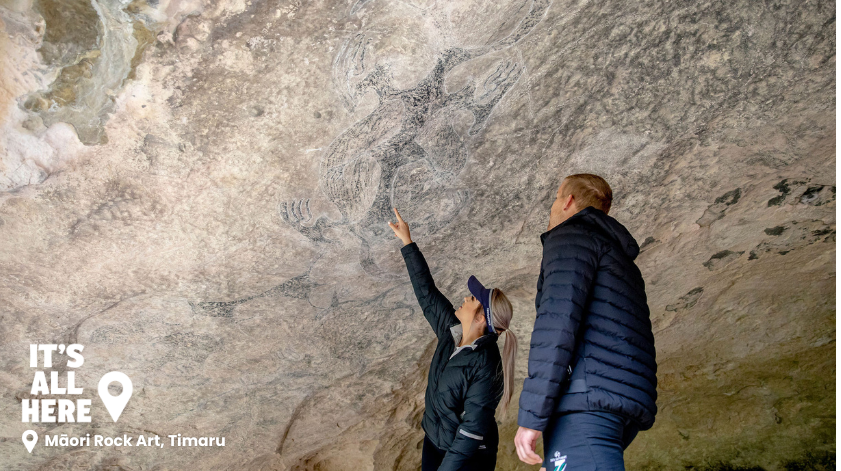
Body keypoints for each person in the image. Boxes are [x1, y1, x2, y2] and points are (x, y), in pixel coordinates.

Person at [513, 174, 658, 471]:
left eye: (555, 198)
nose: (553, 206)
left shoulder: (570, 238)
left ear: (568, 200)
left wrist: (531, 417)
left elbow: (556, 327)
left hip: (587, 402)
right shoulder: (621, 260)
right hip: (621, 401)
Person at [387, 207, 519, 471]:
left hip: (468, 457)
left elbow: (471, 431)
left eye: (474, 299)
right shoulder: (452, 331)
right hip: (436, 442)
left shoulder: (486, 365)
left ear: (482, 318)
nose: (467, 298)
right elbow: (427, 294)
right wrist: (407, 242)